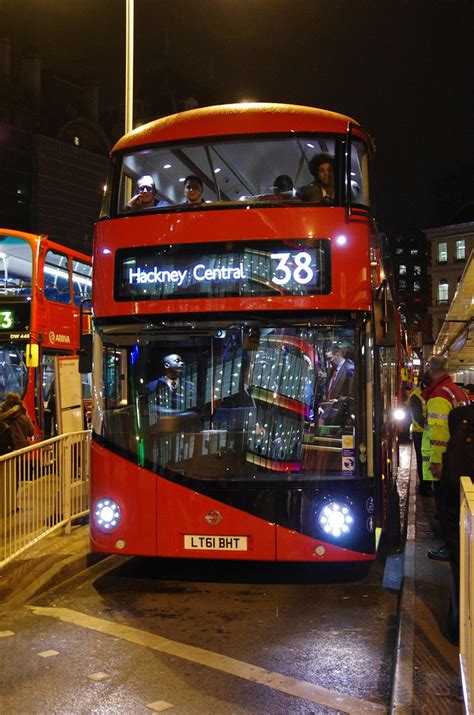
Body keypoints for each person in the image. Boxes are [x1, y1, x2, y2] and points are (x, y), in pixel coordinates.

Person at [421, 355, 469, 561]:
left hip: (448, 460)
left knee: (447, 508)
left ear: (431, 371)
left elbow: (439, 432)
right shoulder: (456, 391)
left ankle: (452, 549)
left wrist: (436, 461)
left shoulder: (439, 395)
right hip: (461, 457)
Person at [441, 402, 474, 643]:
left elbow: (452, 476)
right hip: (459, 504)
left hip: (459, 507)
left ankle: (458, 626)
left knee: (461, 563)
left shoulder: (458, 417)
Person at [409, 371, 432, 496]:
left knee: (429, 460)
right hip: (420, 433)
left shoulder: (431, 392)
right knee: (422, 460)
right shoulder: (416, 396)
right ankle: (424, 486)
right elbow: (417, 416)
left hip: (429, 431)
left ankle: (427, 485)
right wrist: (429, 427)